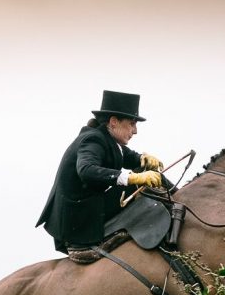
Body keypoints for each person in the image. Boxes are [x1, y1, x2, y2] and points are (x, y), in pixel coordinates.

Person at [36, 90, 164, 253]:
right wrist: (134, 178)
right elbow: (86, 170)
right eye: (132, 123)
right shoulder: (93, 140)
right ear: (113, 122)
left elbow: (124, 155)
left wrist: (142, 159)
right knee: (142, 186)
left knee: (154, 180)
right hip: (78, 218)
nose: (135, 131)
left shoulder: (106, 139)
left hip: (86, 207)